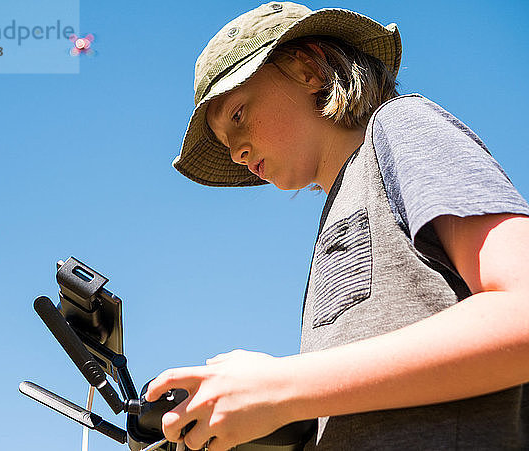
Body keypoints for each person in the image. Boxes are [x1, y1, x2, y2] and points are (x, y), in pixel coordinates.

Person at [146, 2, 529, 450]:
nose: (236, 152)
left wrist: (277, 387)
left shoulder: (400, 126)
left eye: (238, 115)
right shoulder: (337, 212)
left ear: (309, 69)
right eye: (226, 145)